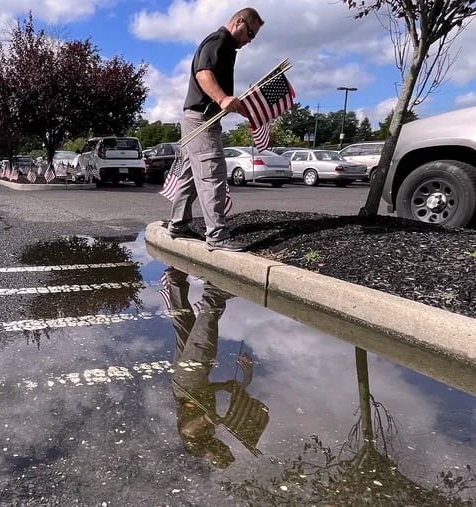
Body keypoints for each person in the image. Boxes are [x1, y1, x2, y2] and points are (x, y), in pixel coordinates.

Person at [168, 7, 264, 252]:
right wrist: (222, 99)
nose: (250, 41)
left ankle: (178, 224)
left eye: (253, 37)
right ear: (239, 22)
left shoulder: (227, 47)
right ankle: (218, 236)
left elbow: (218, 89)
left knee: (191, 175)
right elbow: (204, 74)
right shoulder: (219, 40)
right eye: (250, 33)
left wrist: (246, 110)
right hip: (202, 119)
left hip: (197, 118)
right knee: (213, 173)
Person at [161, 267, 269, 468]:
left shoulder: (198, 447)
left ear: (214, 456)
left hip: (188, 385)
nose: (223, 446)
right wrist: (223, 386)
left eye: (223, 450)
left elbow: (188, 430)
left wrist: (208, 420)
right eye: (226, 448)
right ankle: (175, 283)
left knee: (202, 345)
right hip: (184, 384)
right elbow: (203, 397)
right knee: (186, 328)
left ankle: (214, 294)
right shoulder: (208, 439)